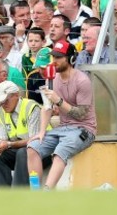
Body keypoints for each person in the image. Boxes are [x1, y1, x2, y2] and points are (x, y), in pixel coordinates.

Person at [27, 40, 96, 190]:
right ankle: (35, 190)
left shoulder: (82, 80)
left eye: (59, 57)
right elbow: (47, 107)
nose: (54, 61)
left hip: (84, 129)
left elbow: (81, 114)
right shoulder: (51, 78)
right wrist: (42, 131)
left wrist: (58, 101)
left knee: (60, 152)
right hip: (63, 128)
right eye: (54, 57)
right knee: (33, 148)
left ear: (71, 59)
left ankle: (47, 191)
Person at [0, 80, 48, 188]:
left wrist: (8, 145)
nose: (3, 104)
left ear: (16, 95)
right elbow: (2, 140)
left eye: (6, 100)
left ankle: (18, 195)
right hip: (23, 152)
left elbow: (34, 142)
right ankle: (2, 197)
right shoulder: (1, 112)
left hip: (43, 152)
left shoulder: (31, 107)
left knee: (23, 152)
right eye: (0, 102)